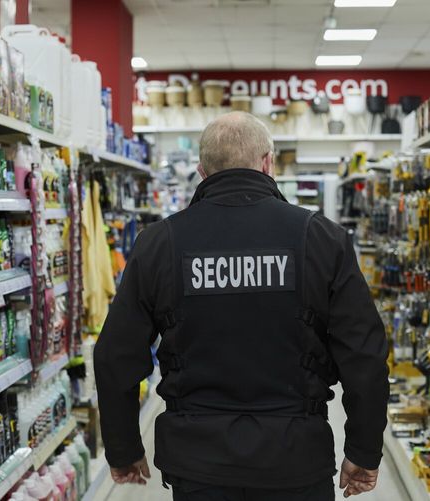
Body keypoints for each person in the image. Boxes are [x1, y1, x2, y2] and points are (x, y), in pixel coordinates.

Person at [94, 111, 389, 500]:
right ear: (268, 162)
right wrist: (363, 451)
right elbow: (364, 354)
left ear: (202, 171)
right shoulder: (321, 238)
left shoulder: (158, 243)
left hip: (198, 462)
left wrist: (123, 447)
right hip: (296, 458)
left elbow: (116, 354)